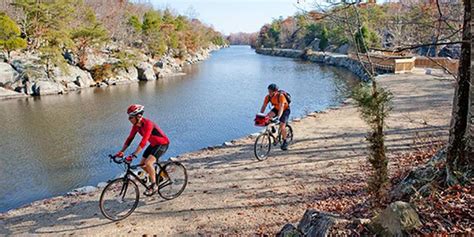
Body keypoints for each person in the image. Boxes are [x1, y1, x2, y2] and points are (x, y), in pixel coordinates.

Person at [115, 104, 170, 195]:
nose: (129, 120)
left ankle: (153, 185)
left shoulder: (148, 124)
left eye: (131, 117)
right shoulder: (136, 126)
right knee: (142, 165)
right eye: (129, 117)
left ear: (139, 116)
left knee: (148, 163)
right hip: (153, 144)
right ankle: (158, 178)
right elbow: (130, 139)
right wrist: (121, 151)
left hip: (162, 144)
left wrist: (134, 155)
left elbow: (144, 142)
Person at [259, 83, 291, 150]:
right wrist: (260, 114)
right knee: (267, 117)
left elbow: (281, 107)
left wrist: (278, 117)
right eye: (268, 91)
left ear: (275, 91)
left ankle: (285, 141)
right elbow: (264, 106)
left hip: (285, 110)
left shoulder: (281, 96)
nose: (269, 93)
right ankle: (273, 128)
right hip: (276, 109)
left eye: (271, 91)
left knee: (282, 126)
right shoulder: (268, 97)